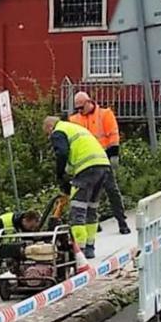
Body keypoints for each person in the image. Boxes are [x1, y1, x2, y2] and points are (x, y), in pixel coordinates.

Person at [43, 116, 111, 259]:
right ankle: (90, 247)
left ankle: (79, 250)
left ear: (50, 128)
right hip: (103, 166)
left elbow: (61, 153)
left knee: (78, 208)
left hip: (87, 169)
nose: (49, 137)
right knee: (91, 208)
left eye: (47, 134)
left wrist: (60, 174)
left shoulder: (58, 131)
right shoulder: (74, 128)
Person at [69, 92, 131, 235]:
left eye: (81, 107)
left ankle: (122, 221)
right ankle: (93, 222)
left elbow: (113, 135)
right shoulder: (74, 120)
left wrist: (114, 156)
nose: (79, 111)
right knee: (89, 194)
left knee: (112, 191)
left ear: (89, 102)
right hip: (85, 163)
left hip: (103, 160)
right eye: (77, 108)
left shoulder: (105, 114)